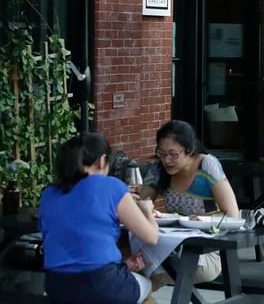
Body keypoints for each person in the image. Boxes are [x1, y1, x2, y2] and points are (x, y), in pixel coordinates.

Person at [38, 133, 158, 304]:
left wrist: (122, 265)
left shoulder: (48, 193)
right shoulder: (111, 185)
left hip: (57, 286)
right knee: (147, 287)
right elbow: (151, 237)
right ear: (102, 160)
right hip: (102, 284)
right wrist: (147, 211)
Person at [139, 120, 239, 285]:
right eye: (162, 153)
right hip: (169, 248)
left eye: (173, 154)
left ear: (190, 150)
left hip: (203, 253)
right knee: (131, 264)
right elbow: (142, 206)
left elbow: (231, 214)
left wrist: (194, 222)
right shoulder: (158, 169)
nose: (167, 160)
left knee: (138, 272)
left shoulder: (207, 165)